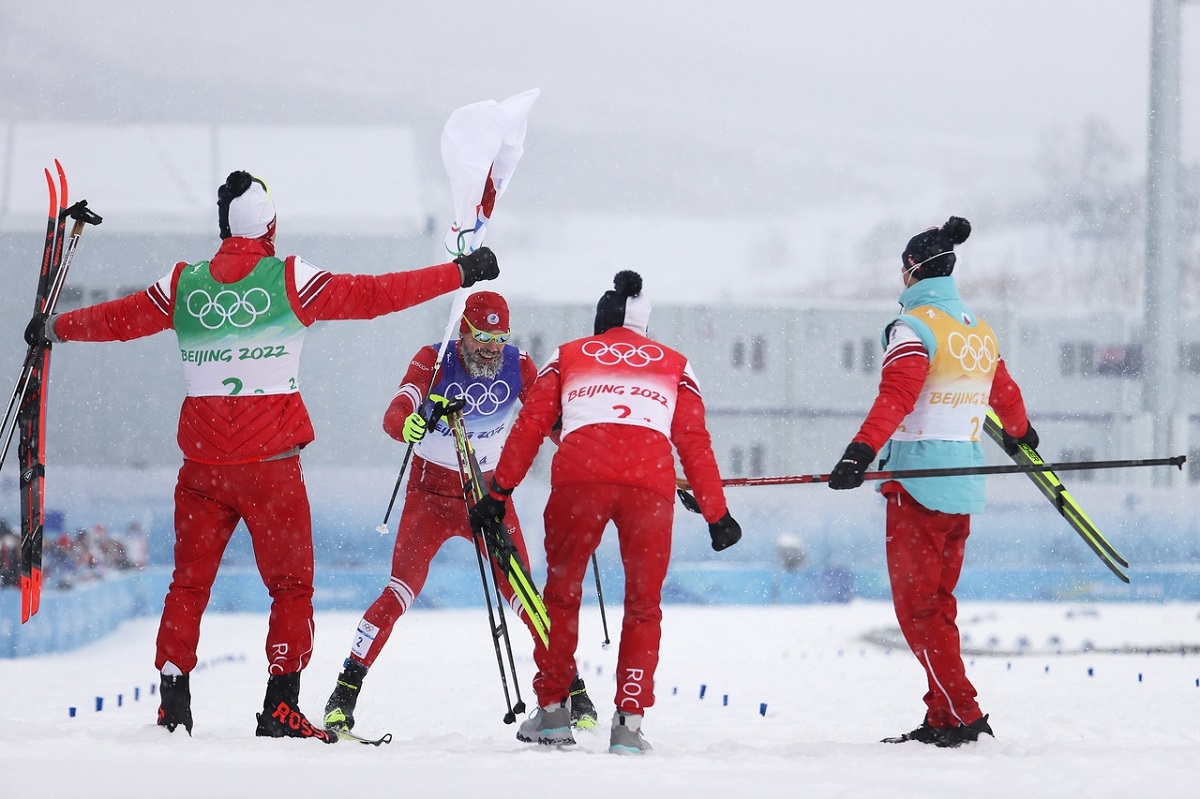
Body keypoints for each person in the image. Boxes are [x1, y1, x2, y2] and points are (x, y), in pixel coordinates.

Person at [22, 170, 499, 742]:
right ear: (270, 223)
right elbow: (377, 296)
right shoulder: (291, 278)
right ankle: (281, 705)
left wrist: (55, 328)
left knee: (188, 585)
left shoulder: (184, 282)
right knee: (290, 587)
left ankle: (172, 704)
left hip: (202, 470)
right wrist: (459, 274)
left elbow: (116, 320)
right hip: (271, 469)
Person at [470, 270, 742, 754]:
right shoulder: (677, 363)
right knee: (643, 606)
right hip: (649, 484)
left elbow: (532, 424)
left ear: (602, 322)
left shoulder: (568, 354)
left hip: (580, 478)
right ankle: (629, 724)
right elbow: (694, 442)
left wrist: (498, 494)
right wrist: (716, 513)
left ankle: (553, 713)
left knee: (562, 595)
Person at [322, 290, 597, 733]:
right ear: (464, 331)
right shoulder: (433, 359)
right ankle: (344, 692)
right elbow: (397, 411)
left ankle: (575, 691)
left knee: (527, 595)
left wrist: (589, 452)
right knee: (399, 590)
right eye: (483, 335)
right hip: (430, 495)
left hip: (487, 496)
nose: (491, 346)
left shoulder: (519, 365)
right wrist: (406, 424)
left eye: (500, 336)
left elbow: (552, 423)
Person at [827, 216, 1036, 748]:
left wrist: (860, 451)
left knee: (919, 612)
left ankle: (963, 713)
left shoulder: (913, 327)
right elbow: (1004, 393)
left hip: (919, 483)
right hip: (963, 485)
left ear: (912, 272)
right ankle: (942, 716)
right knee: (938, 607)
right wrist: (1021, 434)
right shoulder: (976, 329)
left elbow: (896, 397)